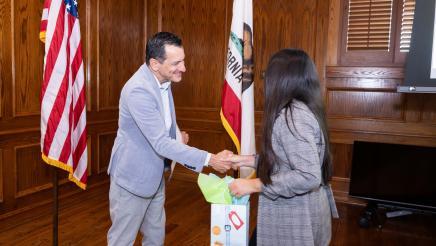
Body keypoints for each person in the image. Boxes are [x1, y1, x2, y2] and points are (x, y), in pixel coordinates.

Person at [107, 32, 233, 246]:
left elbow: (164, 122)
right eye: (177, 63)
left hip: (156, 177)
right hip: (132, 179)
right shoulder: (139, 89)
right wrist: (210, 159)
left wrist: (176, 134)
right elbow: (161, 143)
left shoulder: (163, 80)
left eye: (183, 61)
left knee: (155, 239)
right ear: (155, 64)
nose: (183, 68)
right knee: (122, 241)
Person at [228, 49, 339, 246]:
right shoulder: (304, 108)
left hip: (295, 217)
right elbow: (285, 160)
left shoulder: (292, 116)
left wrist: (252, 185)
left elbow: (308, 175)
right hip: (301, 212)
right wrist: (243, 159)